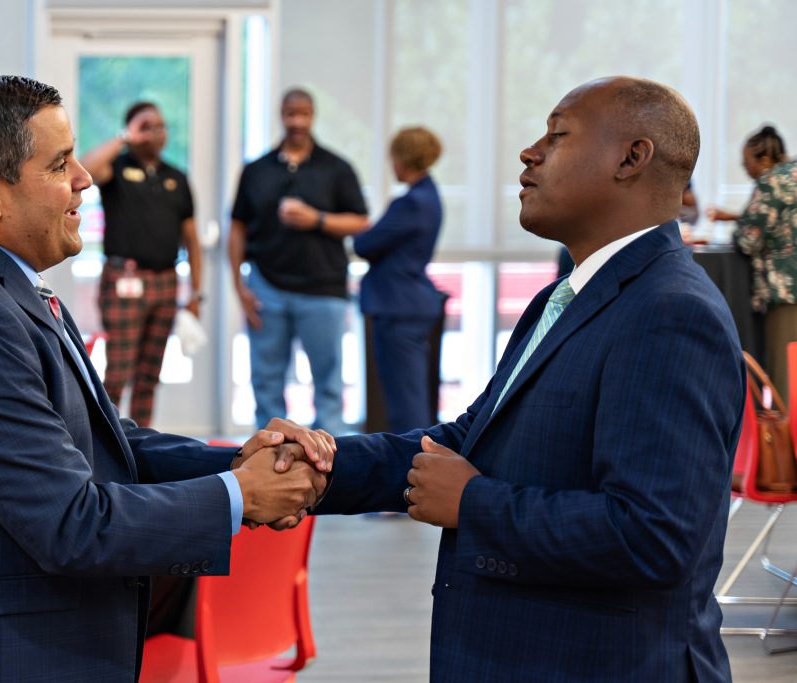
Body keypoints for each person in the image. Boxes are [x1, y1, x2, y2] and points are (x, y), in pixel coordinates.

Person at [0, 75, 333, 683]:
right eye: (60, 165)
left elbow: (108, 441)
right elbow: (72, 524)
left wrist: (239, 463)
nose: (84, 178)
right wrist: (242, 495)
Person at [309, 77, 745, 681]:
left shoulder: (671, 311)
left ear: (631, 158)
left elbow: (653, 536)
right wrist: (316, 465)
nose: (529, 151)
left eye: (558, 135)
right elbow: (466, 443)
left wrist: (474, 503)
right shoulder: (561, 299)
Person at [229, 88, 369, 436]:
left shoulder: (336, 168)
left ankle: (332, 460)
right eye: (291, 113)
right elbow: (237, 229)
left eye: (303, 113)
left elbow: (360, 220)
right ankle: (271, 452)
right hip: (267, 288)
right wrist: (239, 286)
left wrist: (316, 219)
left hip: (323, 290)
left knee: (328, 382)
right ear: (281, 115)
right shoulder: (256, 170)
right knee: (265, 380)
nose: (297, 121)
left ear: (313, 115)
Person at [81, 102, 202, 427]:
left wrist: (195, 294)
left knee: (150, 375)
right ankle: (104, 441)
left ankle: (142, 445)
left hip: (166, 280)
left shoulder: (176, 177)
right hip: (125, 279)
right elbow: (85, 169)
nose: (156, 132)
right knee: (118, 373)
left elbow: (191, 238)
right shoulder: (116, 168)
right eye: (146, 125)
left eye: (160, 125)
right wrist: (124, 137)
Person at [354, 126, 445, 433]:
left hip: (398, 308)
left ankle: (412, 468)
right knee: (409, 396)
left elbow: (364, 245)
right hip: (409, 305)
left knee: (406, 403)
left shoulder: (411, 203)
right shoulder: (429, 196)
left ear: (403, 158)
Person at [708, 125, 796, 400]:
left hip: (785, 293)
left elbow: (747, 240)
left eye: (746, 164)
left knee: (785, 375)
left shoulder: (771, 183)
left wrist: (738, 224)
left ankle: (786, 442)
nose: (746, 171)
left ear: (764, 159)